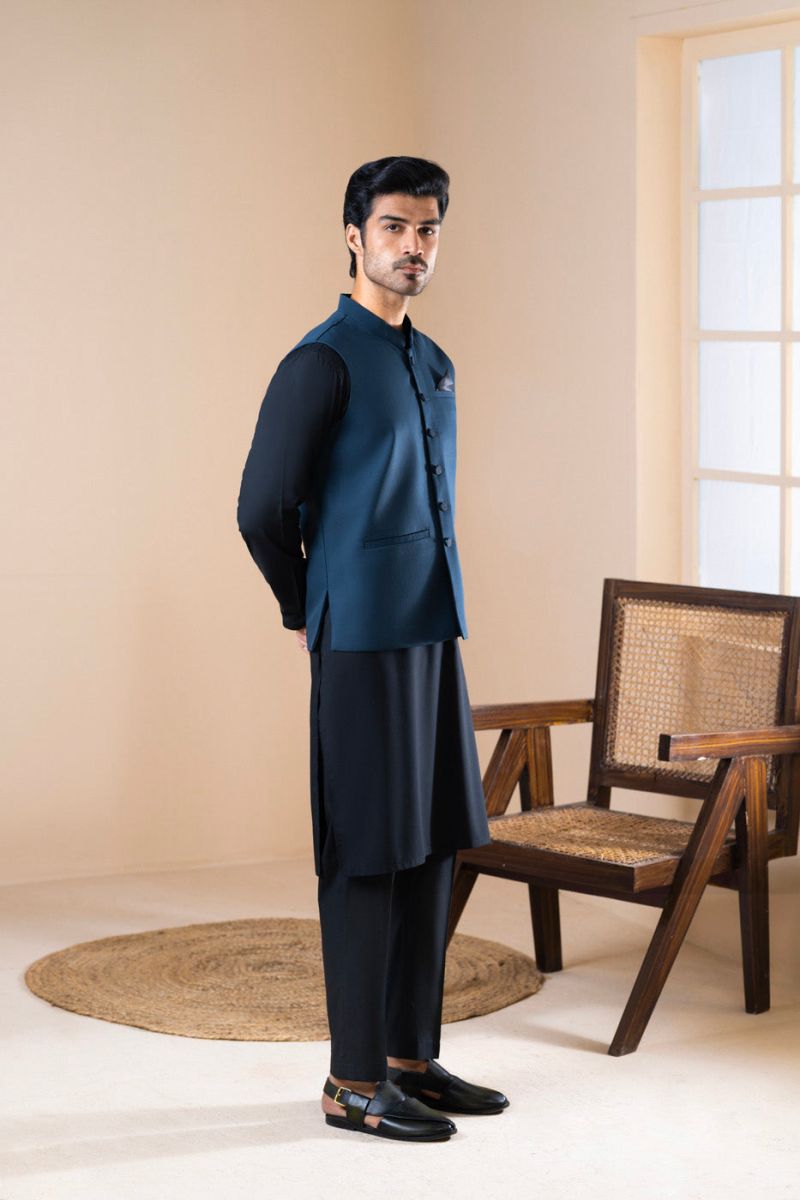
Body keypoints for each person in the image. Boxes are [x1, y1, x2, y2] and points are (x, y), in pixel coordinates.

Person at [236, 155, 509, 1143]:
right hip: (357, 641)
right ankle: (352, 1083)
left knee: (431, 843)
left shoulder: (431, 361)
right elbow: (261, 509)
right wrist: (302, 604)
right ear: (354, 236)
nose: (412, 246)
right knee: (365, 852)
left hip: (432, 631)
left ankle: (407, 1058)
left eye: (427, 229)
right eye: (394, 227)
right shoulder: (322, 362)